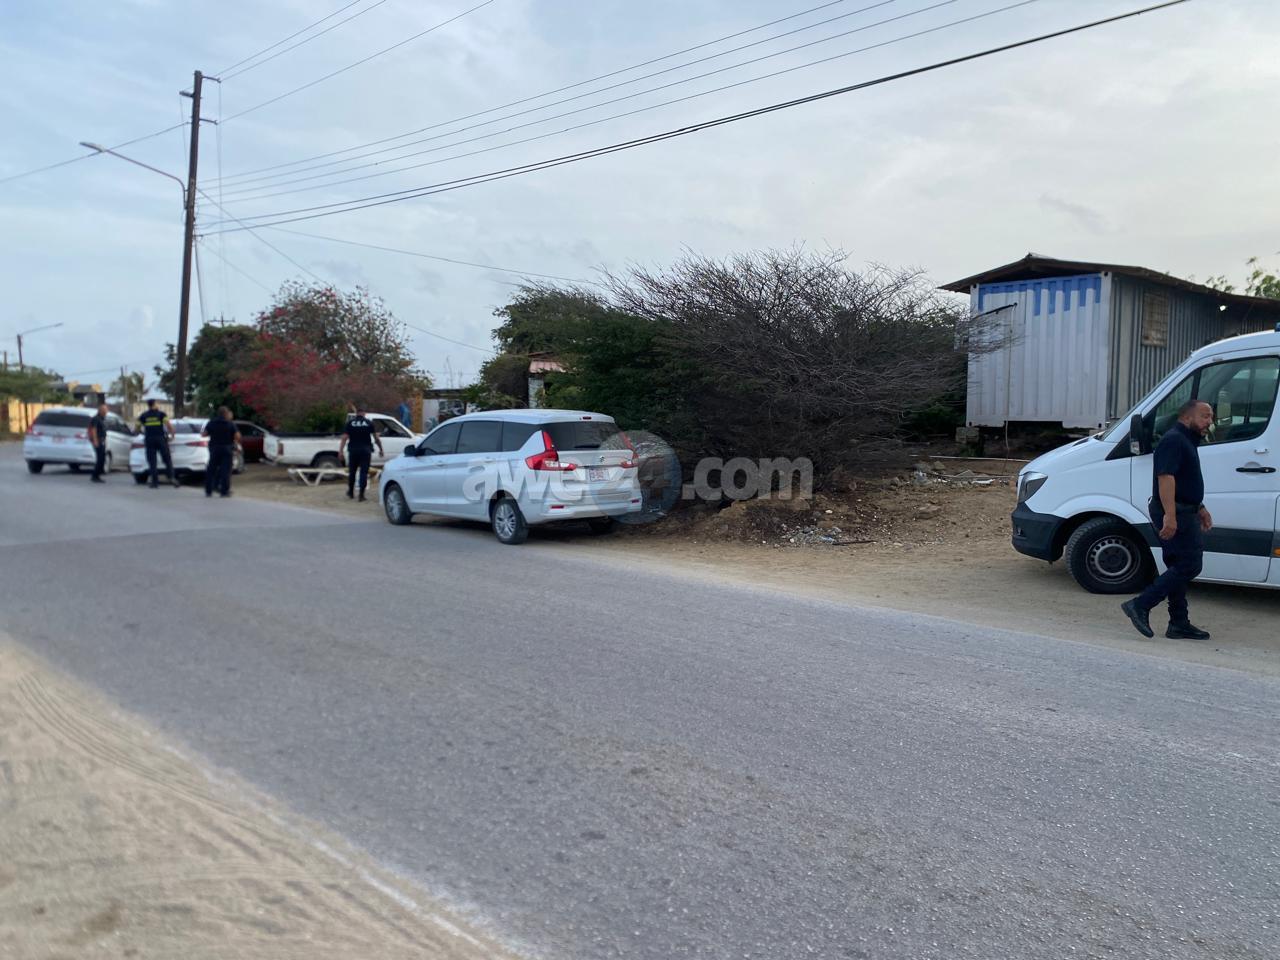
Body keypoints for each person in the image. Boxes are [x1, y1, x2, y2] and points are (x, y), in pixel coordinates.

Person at [1121, 399, 1214, 641]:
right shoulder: (1174, 440)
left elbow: (1184, 480)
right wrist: (1170, 516)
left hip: (1185, 510)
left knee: (1178, 565)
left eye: (1211, 417)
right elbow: (1166, 478)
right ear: (1187, 417)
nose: (1210, 422)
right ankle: (1141, 604)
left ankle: (1178, 623)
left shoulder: (1187, 440)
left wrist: (1200, 507)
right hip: (1176, 513)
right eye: (1205, 416)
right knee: (1190, 565)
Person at [339, 406, 383, 502]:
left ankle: (351, 492)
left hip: (353, 450)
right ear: (364, 413)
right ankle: (361, 495)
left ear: (356, 413)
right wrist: (381, 449)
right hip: (365, 451)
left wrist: (340, 451)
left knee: (352, 472)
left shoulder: (350, 423)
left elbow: (344, 438)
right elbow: (376, 438)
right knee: (364, 472)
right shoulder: (369, 423)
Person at [201, 406, 241, 498]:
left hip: (214, 449)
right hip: (226, 449)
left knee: (211, 469)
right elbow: (237, 436)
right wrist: (234, 440)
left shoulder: (211, 422)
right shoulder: (230, 424)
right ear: (226, 414)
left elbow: (204, 434)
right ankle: (224, 491)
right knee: (225, 470)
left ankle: (208, 490)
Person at [137, 399, 177, 488]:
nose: (158, 405)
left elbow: (137, 427)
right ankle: (171, 477)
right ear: (154, 404)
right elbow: (169, 425)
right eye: (157, 403)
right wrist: (172, 435)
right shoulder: (161, 414)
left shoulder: (144, 415)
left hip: (149, 439)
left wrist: (142, 432)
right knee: (167, 459)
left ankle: (154, 483)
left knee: (152, 461)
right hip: (160, 439)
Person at [88, 402, 110, 483]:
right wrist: (95, 441)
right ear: (100, 410)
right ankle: (95, 476)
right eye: (104, 410)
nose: (106, 411)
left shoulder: (102, 419)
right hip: (98, 441)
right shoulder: (96, 419)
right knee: (100, 459)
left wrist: (105, 441)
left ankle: (97, 475)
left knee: (102, 459)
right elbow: (94, 430)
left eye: (106, 410)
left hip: (102, 441)